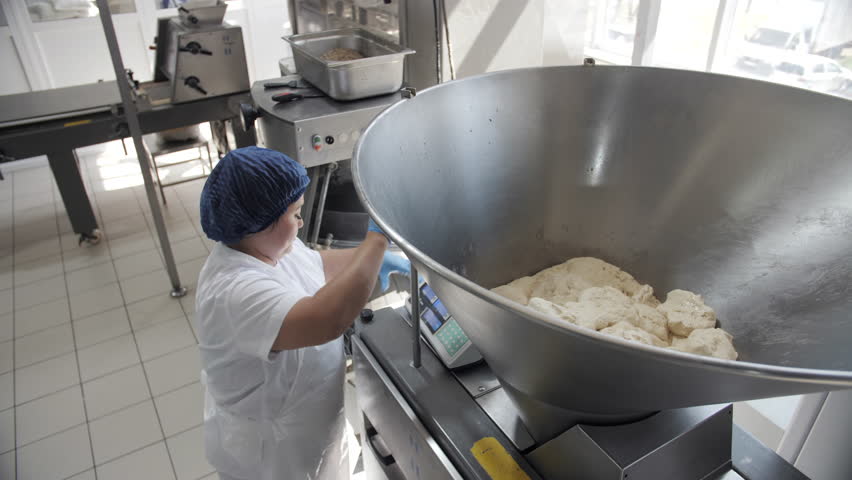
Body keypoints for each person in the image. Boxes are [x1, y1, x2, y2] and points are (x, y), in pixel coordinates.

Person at [195, 147, 410, 480]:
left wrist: (379, 259)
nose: (302, 221)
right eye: (295, 213)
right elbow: (327, 319)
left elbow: (318, 265)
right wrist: (376, 240)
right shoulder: (233, 293)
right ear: (260, 224)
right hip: (272, 455)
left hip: (308, 427)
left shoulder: (264, 245)